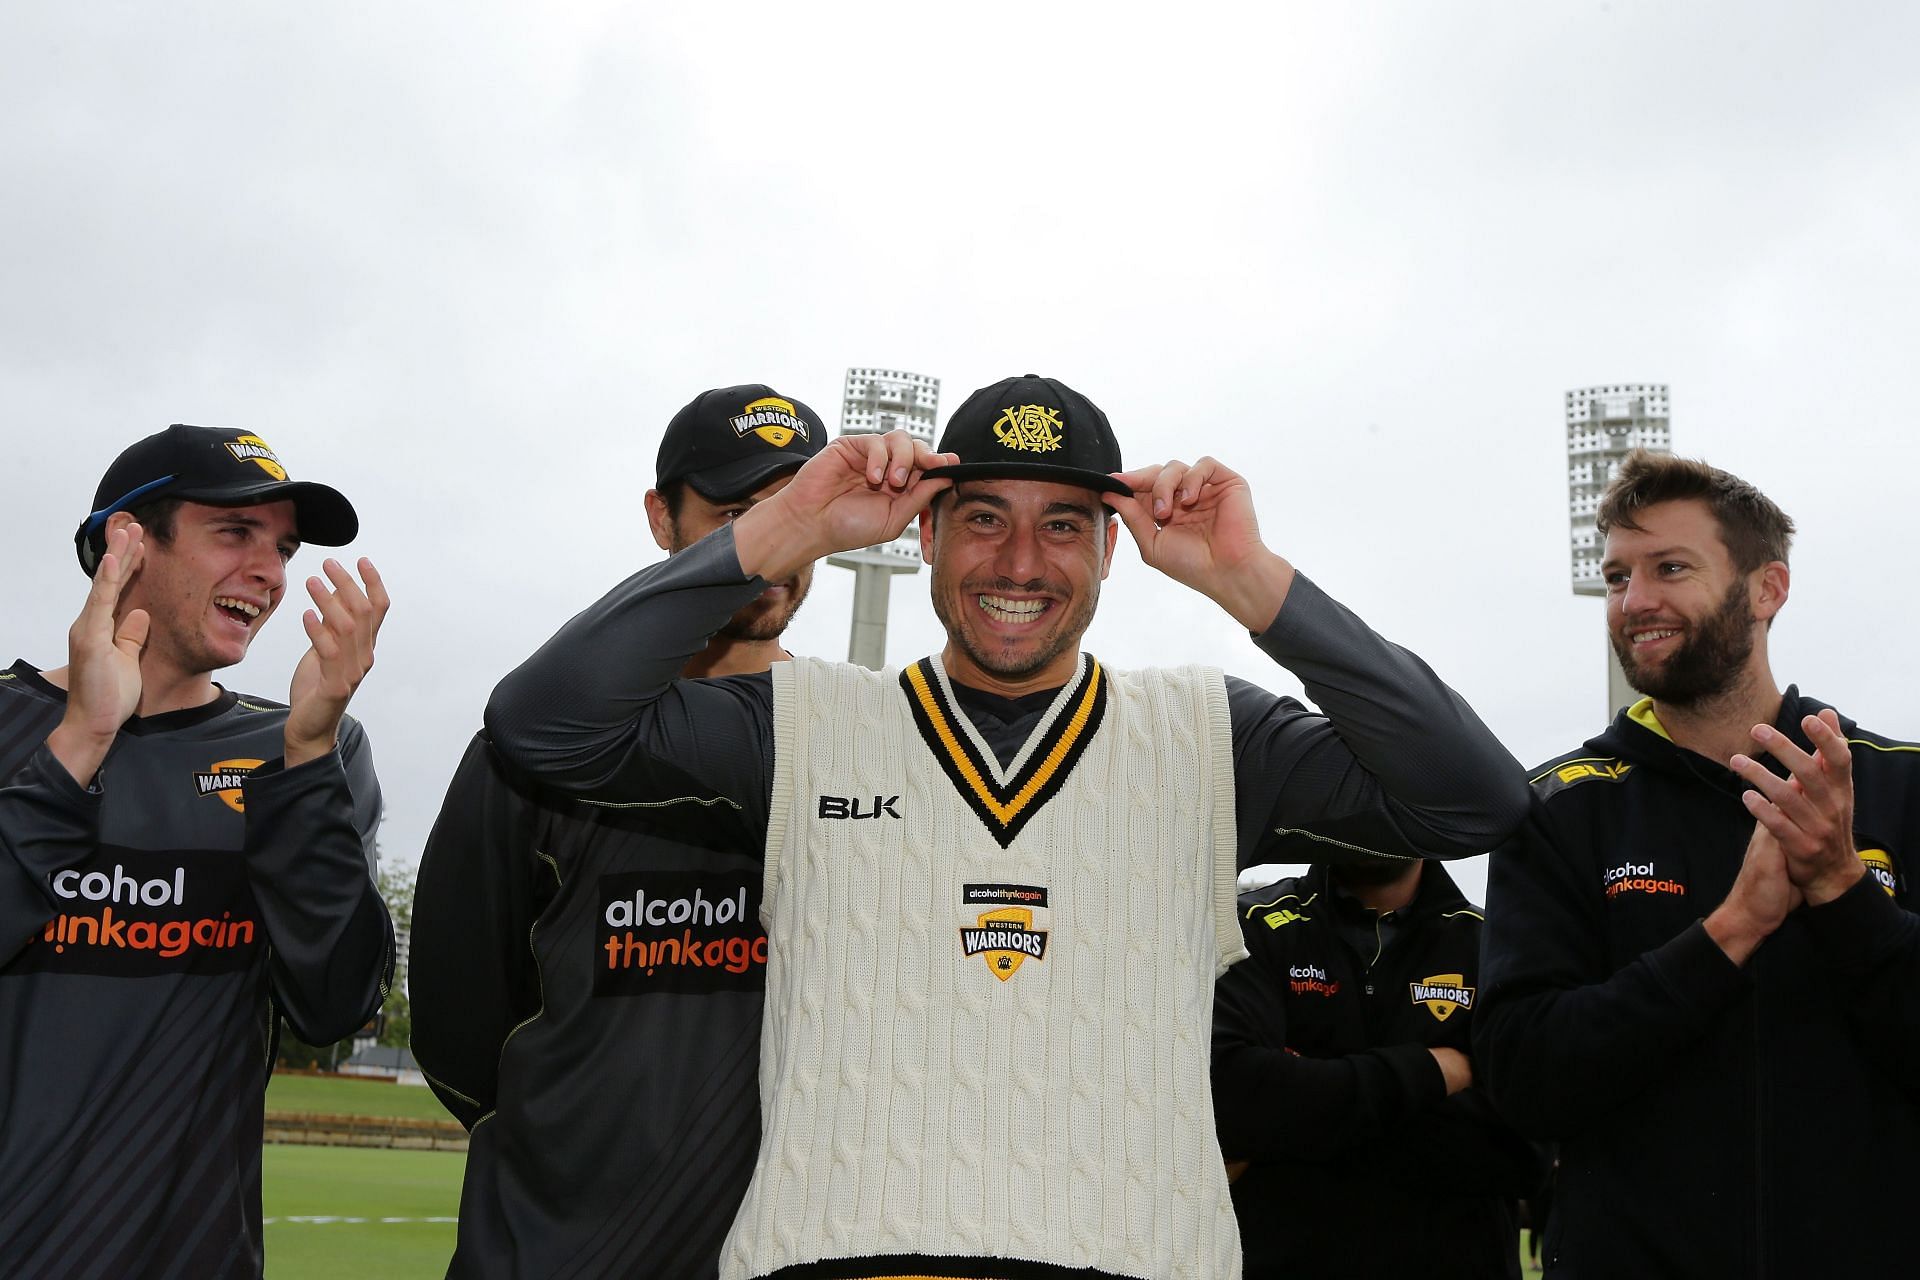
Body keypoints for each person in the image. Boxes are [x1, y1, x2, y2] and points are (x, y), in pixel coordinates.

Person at [485, 374, 1530, 1280]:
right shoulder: (806, 723)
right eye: (984, 517)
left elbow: (1470, 799)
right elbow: (545, 727)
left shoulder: (1210, 733)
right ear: (924, 533)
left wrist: (1249, 581)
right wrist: (784, 530)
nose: (1021, 562)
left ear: (1113, 547)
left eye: (1064, 524)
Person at [410, 384, 827, 1279]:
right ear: (659, 517)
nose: (775, 546)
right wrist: (573, 1169)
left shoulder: (854, 739)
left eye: (797, 511)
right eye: (738, 514)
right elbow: (457, 1021)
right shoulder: (533, 746)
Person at [1475, 450, 1920, 1278]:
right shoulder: (1559, 807)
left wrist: (1842, 889)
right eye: (1616, 577)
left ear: (1767, 590)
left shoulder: (1899, 785)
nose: (1634, 601)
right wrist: (1729, 931)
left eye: (1669, 568)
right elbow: (1523, 1080)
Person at [0, 424, 391, 1278]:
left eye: (283, 547)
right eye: (235, 533)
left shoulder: (302, 748)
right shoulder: (7, 723)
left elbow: (336, 1003)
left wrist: (309, 759)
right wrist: (80, 744)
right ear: (129, 541)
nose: (271, 572)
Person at [1213, 853, 1541, 1279]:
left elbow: (1527, 1151)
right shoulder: (1251, 924)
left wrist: (1305, 1114)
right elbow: (1232, 1102)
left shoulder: (1493, 945)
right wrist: (1432, 1072)